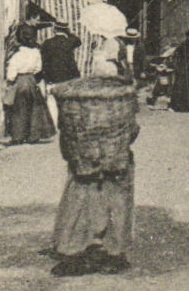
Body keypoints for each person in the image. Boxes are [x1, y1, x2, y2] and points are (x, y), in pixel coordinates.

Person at [49, 63, 138, 276]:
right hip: (116, 158)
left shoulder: (75, 105)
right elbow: (133, 132)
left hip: (83, 158)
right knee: (118, 203)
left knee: (78, 201)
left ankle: (72, 248)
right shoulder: (122, 102)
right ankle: (114, 252)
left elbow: (64, 134)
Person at [4, 25, 49, 145]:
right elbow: (38, 68)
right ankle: (33, 135)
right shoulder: (36, 53)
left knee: (19, 109)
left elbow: (11, 74)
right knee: (34, 108)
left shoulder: (17, 55)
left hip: (20, 81)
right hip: (31, 80)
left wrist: (10, 79)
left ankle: (18, 136)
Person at [40, 22, 82, 130]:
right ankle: (67, 126)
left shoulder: (47, 43)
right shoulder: (69, 42)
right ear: (65, 30)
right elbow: (78, 41)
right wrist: (69, 32)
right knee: (66, 103)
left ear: (54, 29)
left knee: (51, 102)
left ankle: (53, 126)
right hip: (67, 78)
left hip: (51, 77)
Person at [169, 29, 189, 113]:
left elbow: (176, 54)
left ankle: (177, 106)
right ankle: (188, 107)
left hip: (182, 68)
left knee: (180, 87)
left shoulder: (183, 44)